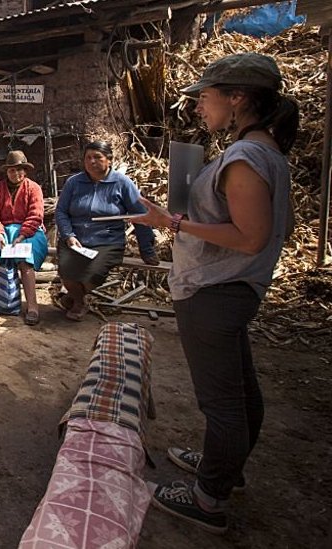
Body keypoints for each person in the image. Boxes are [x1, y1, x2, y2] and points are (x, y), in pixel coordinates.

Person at [135, 52, 299, 534]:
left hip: (214, 290)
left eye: (206, 98)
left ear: (238, 98)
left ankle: (208, 498)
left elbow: (250, 235)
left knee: (221, 401)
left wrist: (175, 222)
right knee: (241, 389)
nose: (200, 108)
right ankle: (225, 467)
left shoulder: (246, 158)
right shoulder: (265, 153)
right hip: (230, 288)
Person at [54, 141, 148, 321]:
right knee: (67, 273)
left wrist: (147, 248)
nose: (92, 162)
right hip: (76, 239)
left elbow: (140, 214)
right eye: (88, 158)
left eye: (97, 157)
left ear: (110, 160)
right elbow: (61, 211)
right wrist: (68, 235)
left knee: (94, 273)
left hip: (108, 240)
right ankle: (79, 301)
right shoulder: (74, 182)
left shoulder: (122, 183)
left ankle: (75, 299)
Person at [0, 151, 49, 325]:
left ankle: (32, 307)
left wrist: (22, 235)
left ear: (25, 171)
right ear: (6, 172)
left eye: (19, 170)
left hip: (30, 231)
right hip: (3, 231)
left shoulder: (34, 188)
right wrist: (0, 234)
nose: (15, 174)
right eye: (11, 170)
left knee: (25, 261)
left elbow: (35, 216)